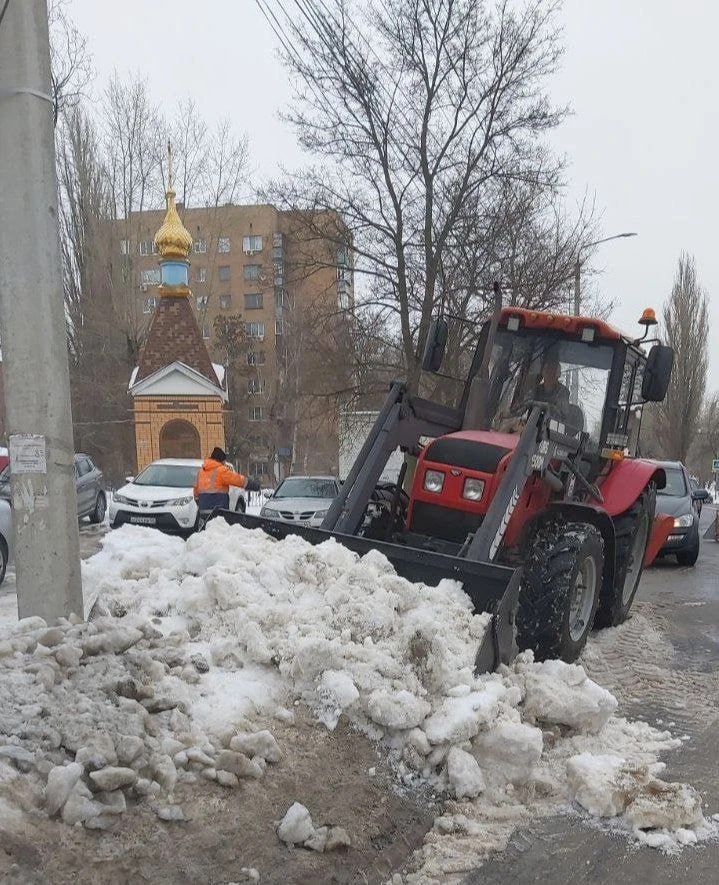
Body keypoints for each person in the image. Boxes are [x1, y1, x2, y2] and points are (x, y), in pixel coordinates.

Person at [193, 447, 260, 513]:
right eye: (224, 461)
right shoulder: (221, 470)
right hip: (218, 510)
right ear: (221, 460)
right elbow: (237, 479)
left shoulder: (201, 471)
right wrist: (253, 485)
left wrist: (200, 502)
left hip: (203, 510)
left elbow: (195, 490)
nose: (225, 463)